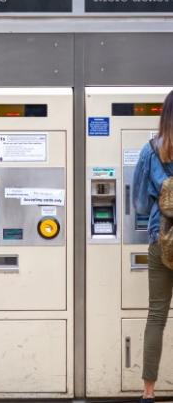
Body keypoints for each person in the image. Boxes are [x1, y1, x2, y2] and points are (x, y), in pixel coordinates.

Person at [133, 90, 173, 403]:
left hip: (162, 239)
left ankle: (148, 392)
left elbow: (138, 204)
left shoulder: (149, 151)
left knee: (156, 316)